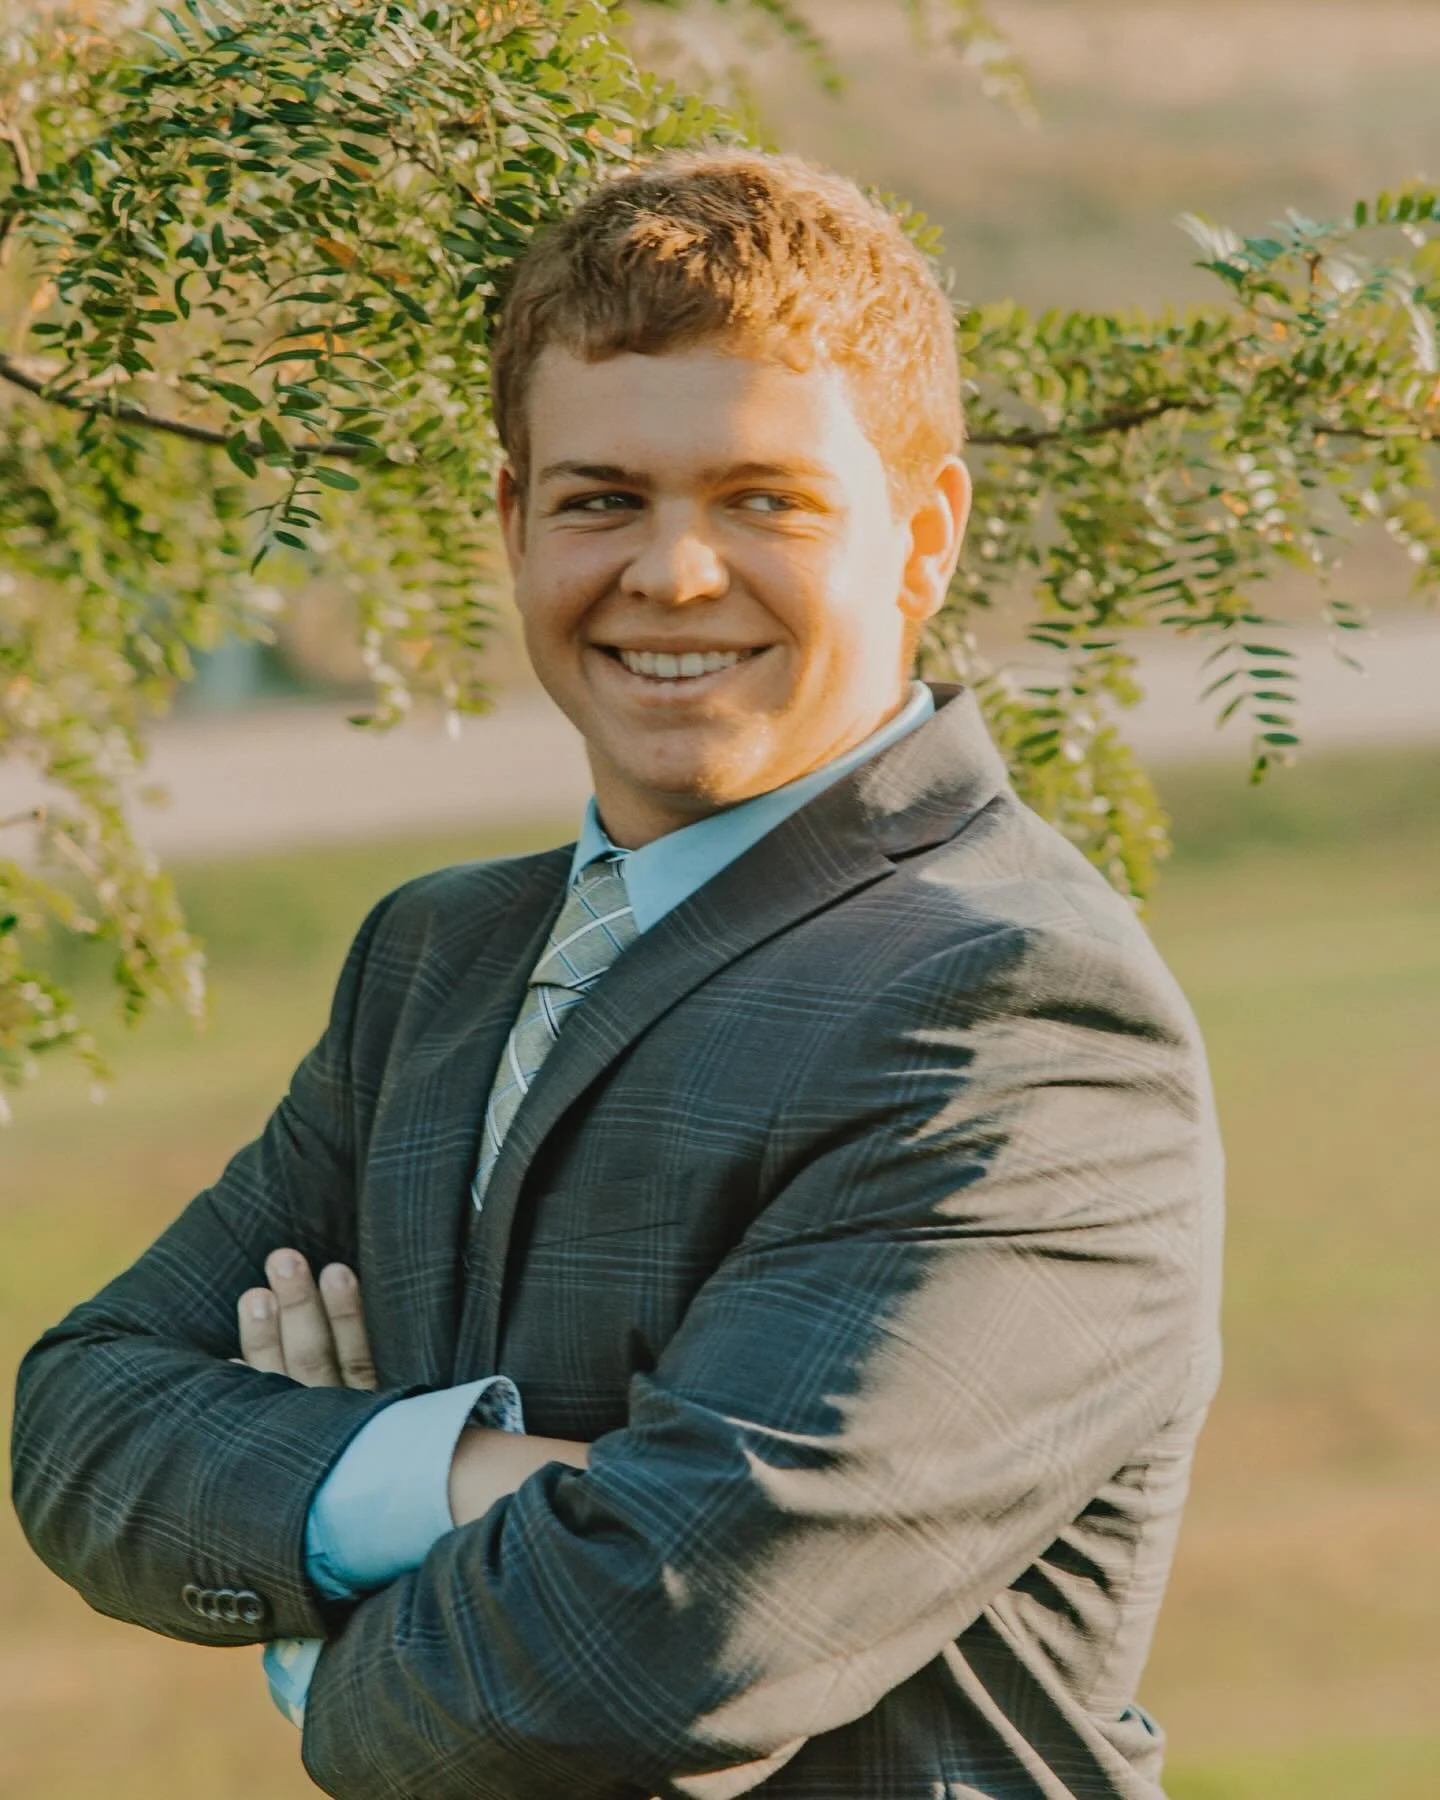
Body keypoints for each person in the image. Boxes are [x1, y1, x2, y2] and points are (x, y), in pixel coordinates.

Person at [12, 150, 1223, 1800]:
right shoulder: (436, 958)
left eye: (763, 499)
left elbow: (653, 1643)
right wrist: (455, 1483)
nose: (671, 575)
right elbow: (84, 1421)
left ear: (923, 531)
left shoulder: (1019, 1014)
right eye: (602, 499)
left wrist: (318, 1635)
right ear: (513, 523)